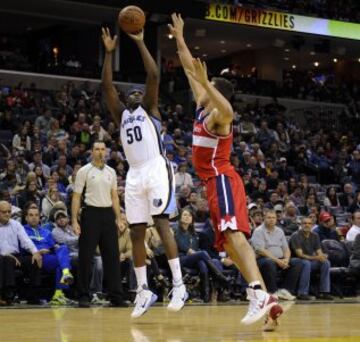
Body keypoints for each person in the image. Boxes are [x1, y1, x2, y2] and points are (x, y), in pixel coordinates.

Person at [169, 13, 282, 328]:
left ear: (214, 92)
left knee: (234, 236)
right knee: (230, 244)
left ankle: (257, 291)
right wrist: (180, 36)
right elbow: (188, 64)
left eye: (205, 87)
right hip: (212, 183)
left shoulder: (220, 115)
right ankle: (269, 303)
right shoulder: (202, 106)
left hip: (222, 179)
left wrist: (207, 83)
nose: (198, 86)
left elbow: (229, 108)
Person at [101, 27, 187, 318]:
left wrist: (138, 41)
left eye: (139, 91)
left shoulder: (151, 109)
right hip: (134, 174)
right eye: (132, 92)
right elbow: (106, 87)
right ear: (127, 100)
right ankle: (143, 290)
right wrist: (110, 53)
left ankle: (178, 285)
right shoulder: (121, 114)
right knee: (137, 230)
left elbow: (154, 75)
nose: (137, 93)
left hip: (155, 168)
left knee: (162, 224)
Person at [71, 141, 127, 308]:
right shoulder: (83, 171)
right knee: (86, 257)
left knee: (112, 257)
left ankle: (116, 296)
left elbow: (115, 197)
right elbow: (76, 196)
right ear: (92, 152)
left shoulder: (111, 171)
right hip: (90, 214)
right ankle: (83, 295)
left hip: (108, 214)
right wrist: (74, 220)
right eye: (97, 149)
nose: (100, 152)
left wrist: (118, 218)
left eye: (103, 149)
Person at [23, 206, 74, 305]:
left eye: (36, 215)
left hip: (48, 257)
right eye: (31, 215)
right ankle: (60, 290)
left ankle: (61, 286)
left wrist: (56, 248)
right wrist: (37, 251)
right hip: (35, 258)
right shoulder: (22, 230)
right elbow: (22, 246)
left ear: (39, 217)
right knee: (63, 262)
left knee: (62, 248)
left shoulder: (46, 232)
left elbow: (54, 246)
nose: (34, 217)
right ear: (26, 218)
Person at [251, 210, 303, 301]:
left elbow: (286, 249)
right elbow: (261, 251)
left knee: (297, 262)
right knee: (269, 263)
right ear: (264, 219)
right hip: (263, 259)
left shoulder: (280, 231)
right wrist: (278, 261)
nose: (271, 220)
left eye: (273, 218)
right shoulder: (258, 231)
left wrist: (286, 259)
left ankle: (285, 290)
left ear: (276, 219)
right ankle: (272, 292)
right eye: (269, 218)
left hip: (279, 259)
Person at [0, 201, 42, 304]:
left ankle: (32, 296)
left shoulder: (16, 224)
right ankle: (7, 295)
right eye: (4, 212)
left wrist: (35, 252)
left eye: (9, 211)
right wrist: (6, 254)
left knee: (34, 260)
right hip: (2, 256)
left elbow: (26, 241)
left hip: (16, 256)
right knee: (6, 259)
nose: (7, 214)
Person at [290, 217, 333, 300]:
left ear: (312, 225)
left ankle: (324, 292)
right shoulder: (296, 235)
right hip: (295, 260)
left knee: (326, 262)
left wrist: (322, 256)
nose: (307, 225)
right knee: (306, 263)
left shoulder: (315, 236)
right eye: (305, 223)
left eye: (309, 223)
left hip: (309, 260)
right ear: (301, 225)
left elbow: (319, 251)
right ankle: (302, 293)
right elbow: (300, 255)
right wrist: (316, 257)